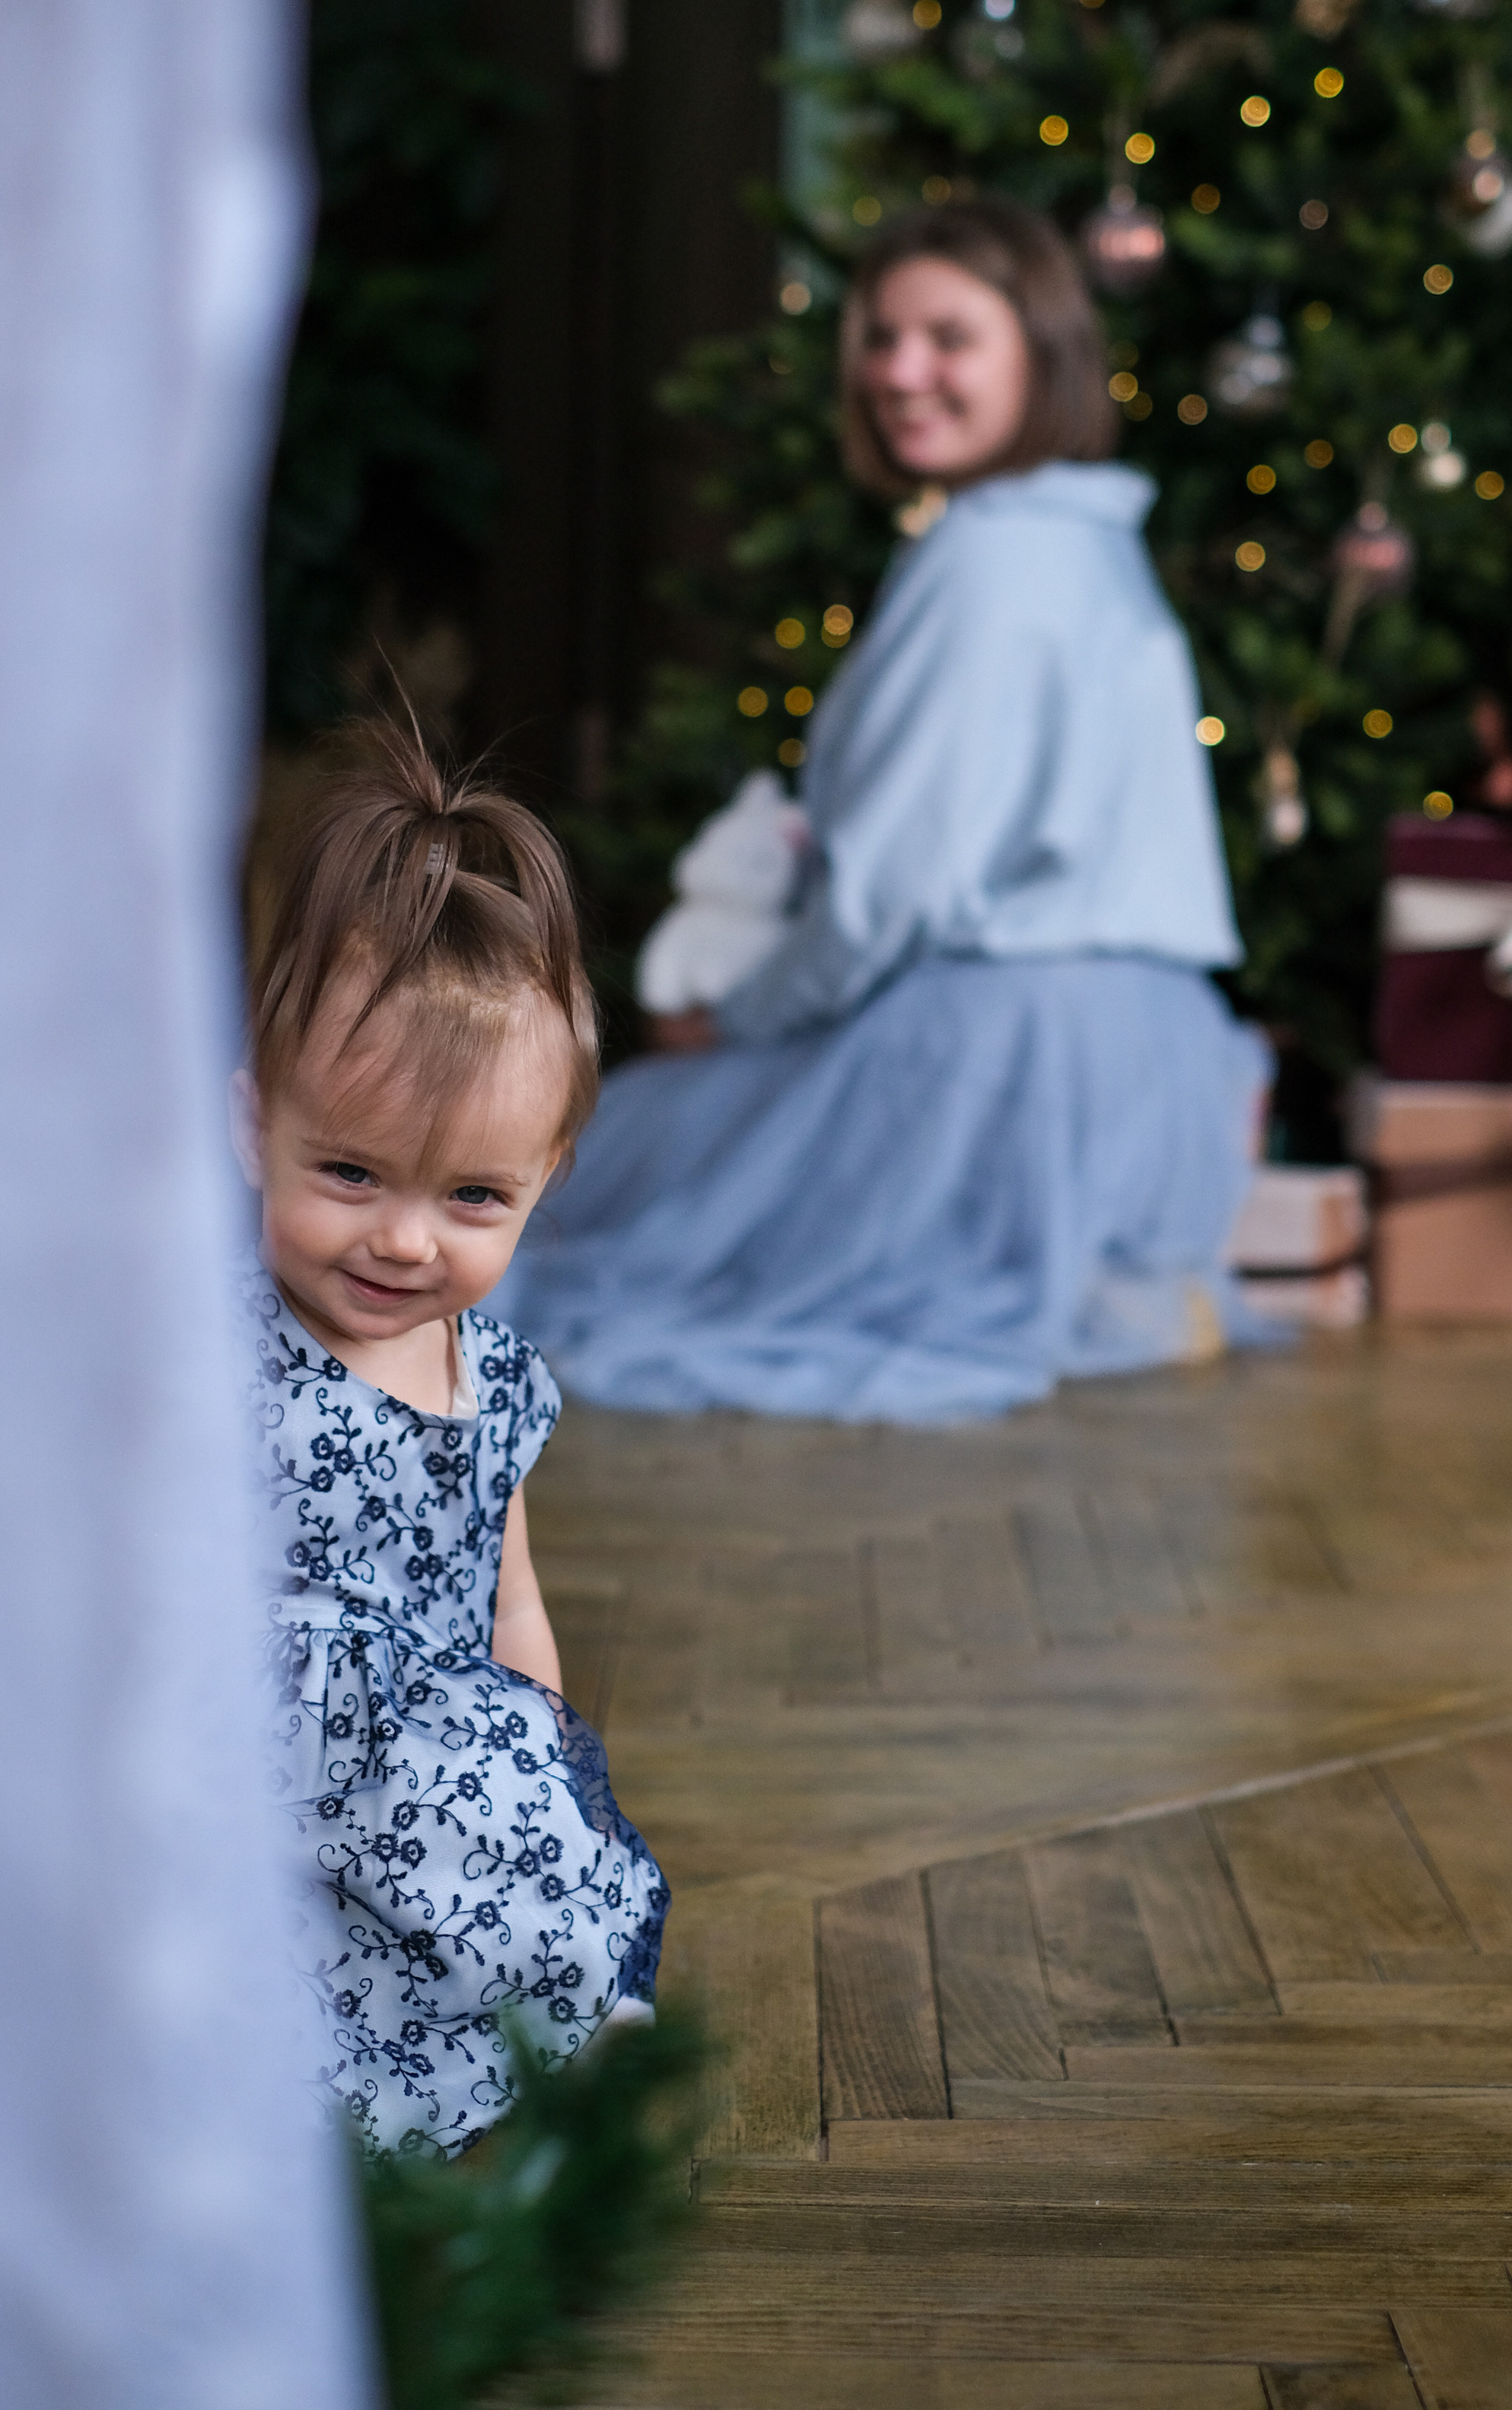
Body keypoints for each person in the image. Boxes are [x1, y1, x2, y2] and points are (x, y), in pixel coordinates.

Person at [492, 196, 1268, 1424]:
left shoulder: (991, 561)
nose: (903, 373)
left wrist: (740, 1017)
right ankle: (1090, 1294)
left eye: (949, 338)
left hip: (998, 1055)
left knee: (619, 1160)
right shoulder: (1089, 541)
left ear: (1040, 351)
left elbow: (893, 893)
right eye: (881, 338)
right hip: (1148, 1052)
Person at [232, 723, 668, 2151]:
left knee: (527, 1858)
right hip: (257, 1749)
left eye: (473, 1197)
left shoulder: (494, 1377)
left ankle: (543, 2043)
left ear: (545, 1179)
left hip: (427, 1759)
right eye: (348, 1172)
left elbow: (508, 1585)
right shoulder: (223, 1346)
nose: (404, 1240)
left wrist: (534, 1736)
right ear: (254, 1127)